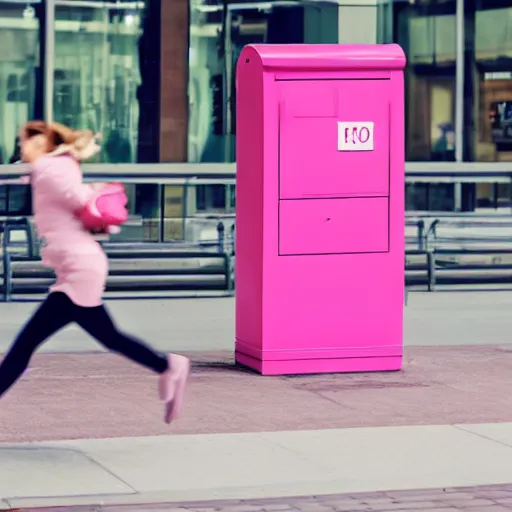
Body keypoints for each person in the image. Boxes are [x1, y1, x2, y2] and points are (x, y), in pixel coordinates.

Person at [0, 120, 190, 424]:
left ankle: (168, 365)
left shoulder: (53, 170)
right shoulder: (49, 170)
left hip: (79, 269)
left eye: (25, 141)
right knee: (109, 337)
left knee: (24, 347)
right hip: (77, 268)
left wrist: (93, 196)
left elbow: (79, 198)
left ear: (40, 144)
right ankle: (168, 365)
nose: (21, 147)